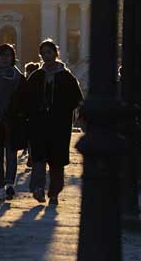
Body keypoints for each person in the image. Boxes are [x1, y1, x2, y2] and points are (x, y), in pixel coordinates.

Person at [26, 40, 83, 206]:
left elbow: (77, 98)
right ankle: (37, 188)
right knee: (38, 158)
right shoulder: (36, 76)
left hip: (60, 124)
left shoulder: (66, 76)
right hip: (39, 124)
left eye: (49, 53)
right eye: (43, 53)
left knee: (57, 160)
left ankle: (54, 193)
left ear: (55, 54)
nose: (46, 56)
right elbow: (27, 97)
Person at [0, 44, 28, 200]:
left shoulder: (20, 78)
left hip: (13, 121)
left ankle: (9, 184)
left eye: (8, 55)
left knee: (11, 154)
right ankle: (0, 187)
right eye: (2, 55)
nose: (5, 59)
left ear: (13, 58)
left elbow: (24, 101)